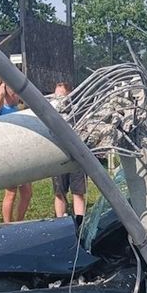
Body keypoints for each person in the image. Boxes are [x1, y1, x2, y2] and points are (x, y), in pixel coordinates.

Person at [0, 80, 33, 223]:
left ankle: (19, 221)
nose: (19, 98)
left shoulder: (15, 109)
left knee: (26, 192)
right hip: (7, 156)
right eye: (16, 94)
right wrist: (4, 85)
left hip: (19, 155)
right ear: (9, 93)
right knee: (11, 193)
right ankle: (8, 224)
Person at [50, 82, 87, 232]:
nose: (57, 99)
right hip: (58, 155)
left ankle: (80, 224)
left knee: (78, 192)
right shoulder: (50, 112)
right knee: (59, 192)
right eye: (55, 96)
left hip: (76, 156)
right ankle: (61, 224)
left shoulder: (77, 111)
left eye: (61, 96)